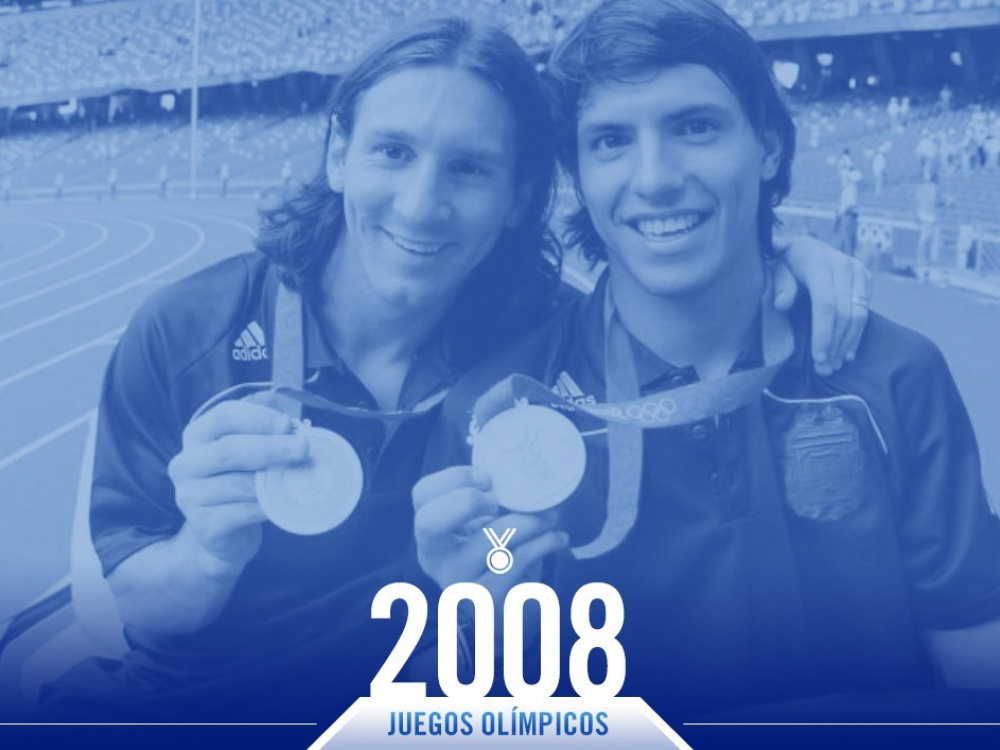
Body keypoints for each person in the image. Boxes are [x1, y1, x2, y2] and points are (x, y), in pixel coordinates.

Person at [35, 14, 863, 725]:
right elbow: (140, 607)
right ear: (339, 155)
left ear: (518, 197)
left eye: (469, 168)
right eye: (393, 152)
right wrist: (206, 553)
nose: (422, 204)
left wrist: (782, 261)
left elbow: (517, 556)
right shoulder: (190, 331)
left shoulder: (547, 343)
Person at [414, 0, 1000, 723]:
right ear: (578, 175)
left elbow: (975, 656)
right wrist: (477, 611)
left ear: (769, 146)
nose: (655, 177)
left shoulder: (893, 375)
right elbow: (491, 647)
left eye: (695, 127)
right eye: (610, 141)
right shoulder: (503, 410)